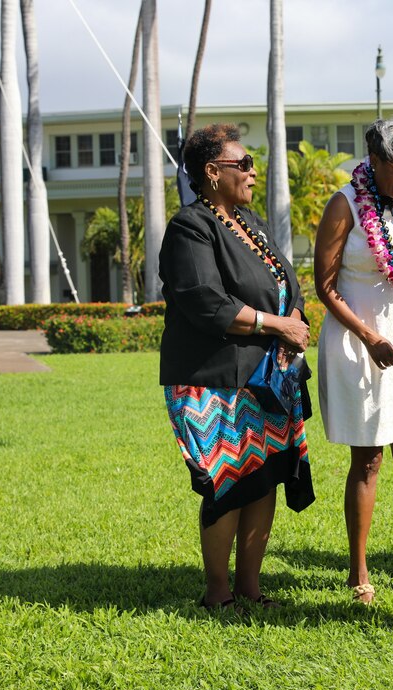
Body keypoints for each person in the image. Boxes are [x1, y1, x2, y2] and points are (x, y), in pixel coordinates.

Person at [160, 123, 314, 610]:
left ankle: (250, 587)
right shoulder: (190, 227)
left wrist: (293, 320)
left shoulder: (251, 225)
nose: (253, 172)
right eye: (243, 164)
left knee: (263, 477)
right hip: (215, 379)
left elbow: (285, 287)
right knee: (228, 481)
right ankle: (218, 592)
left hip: (267, 379)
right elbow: (206, 302)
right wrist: (276, 324)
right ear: (211, 172)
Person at [314, 117, 393, 603]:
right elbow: (324, 287)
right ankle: (359, 572)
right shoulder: (344, 204)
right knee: (367, 456)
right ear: (374, 159)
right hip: (356, 337)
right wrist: (368, 337)